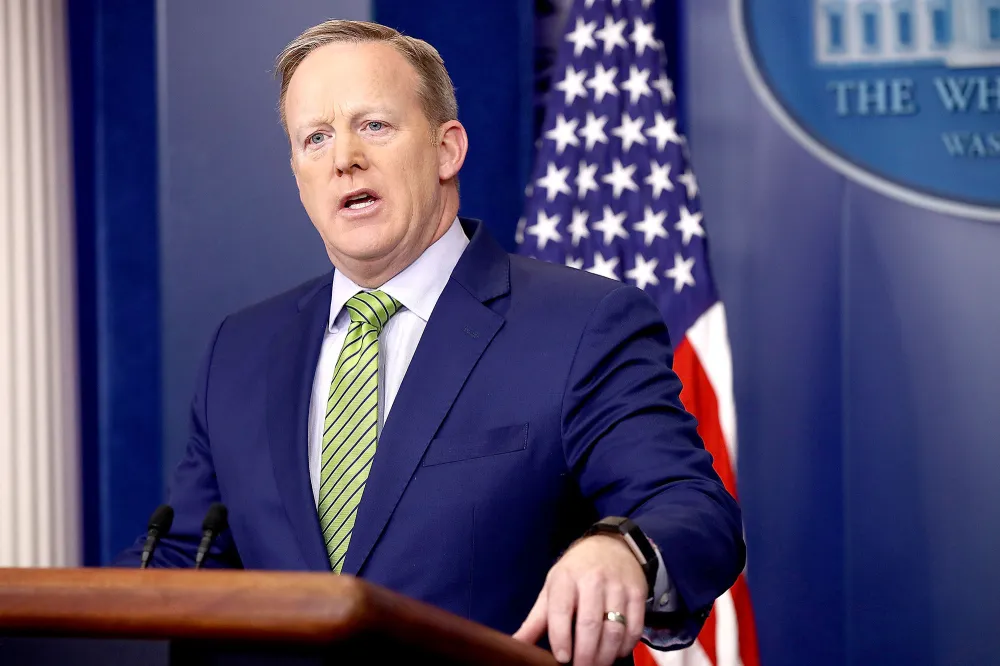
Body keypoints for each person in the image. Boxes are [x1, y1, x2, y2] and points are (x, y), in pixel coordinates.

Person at [116, 19, 745, 666]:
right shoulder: (241, 351)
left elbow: (692, 509)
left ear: (447, 149)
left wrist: (623, 549)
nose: (344, 158)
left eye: (375, 126)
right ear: (298, 173)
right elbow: (182, 562)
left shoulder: (583, 324)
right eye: (316, 138)